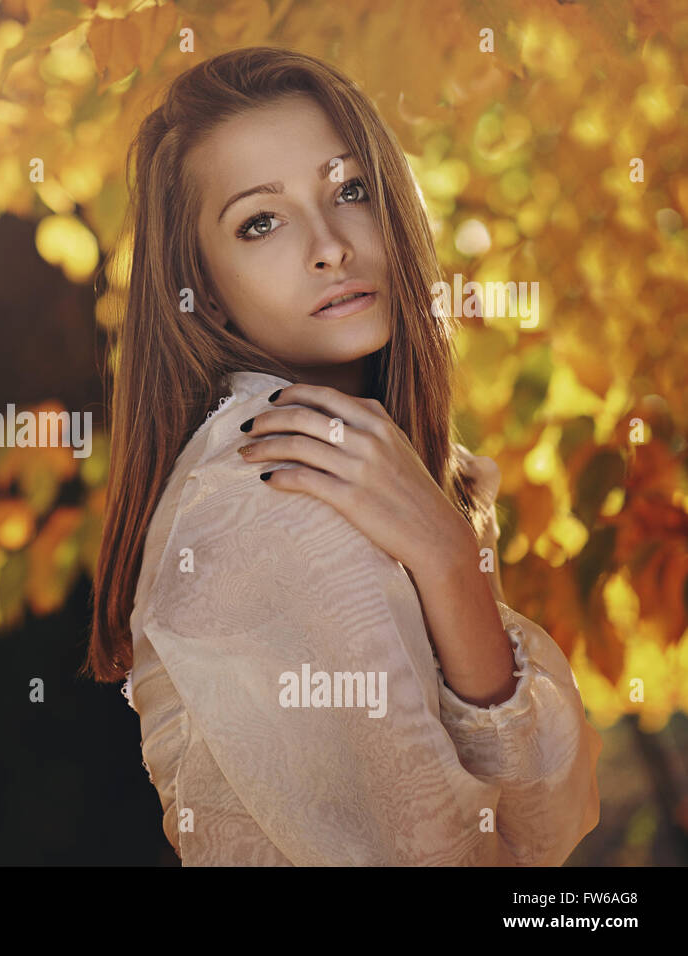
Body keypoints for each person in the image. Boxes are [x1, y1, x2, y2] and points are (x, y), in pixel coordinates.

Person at [83, 47, 601, 865]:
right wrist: (449, 560)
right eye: (261, 220)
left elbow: (546, 829)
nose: (329, 246)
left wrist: (450, 559)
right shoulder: (278, 490)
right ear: (202, 287)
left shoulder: (382, 477)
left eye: (350, 189)